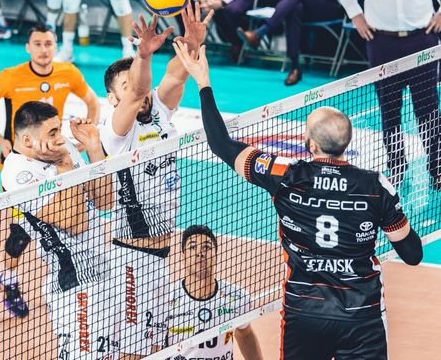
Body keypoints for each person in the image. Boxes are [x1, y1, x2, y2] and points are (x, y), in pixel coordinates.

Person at [172, 40, 424, 359]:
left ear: (310, 145)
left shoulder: (286, 175)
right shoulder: (376, 186)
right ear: (347, 143)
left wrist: (203, 81)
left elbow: (221, 145)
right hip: (362, 314)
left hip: (305, 313)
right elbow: (412, 254)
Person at [100, 3, 213, 358]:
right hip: (132, 259)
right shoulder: (116, 131)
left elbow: (177, 76)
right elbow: (137, 90)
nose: (142, 90)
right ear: (113, 97)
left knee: (156, 345)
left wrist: (193, 42)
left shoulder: (159, 110)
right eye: (127, 85)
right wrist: (143, 56)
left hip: (161, 255)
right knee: (134, 351)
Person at [0, 24, 100, 317]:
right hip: (22, 166)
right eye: (37, 44)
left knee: (67, 217)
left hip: (56, 158)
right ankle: (9, 279)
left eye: (48, 43)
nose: (43, 50)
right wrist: (0, 141)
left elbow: (93, 102)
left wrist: (83, 142)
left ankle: (70, 269)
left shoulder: (68, 73)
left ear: (56, 46)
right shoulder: (10, 76)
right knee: (22, 232)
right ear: (28, 47)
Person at [1, 100, 116, 359]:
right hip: (71, 280)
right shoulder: (17, 173)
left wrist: (93, 147)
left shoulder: (62, 149)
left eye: (59, 129)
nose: (60, 138)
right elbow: (75, 222)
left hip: (105, 267)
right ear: (28, 140)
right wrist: (64, 165)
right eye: (52, 132)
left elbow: (105, 201)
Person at [336, 0, 441, 190]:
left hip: (422, 39)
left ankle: (437, 167)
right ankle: (396, 166)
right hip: (381, 42)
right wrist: (355, 14)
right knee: (389, 109)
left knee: (428, 110)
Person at [238, 0, 350, 85]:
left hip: (332, 6)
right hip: (305, 4)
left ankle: (260, 32)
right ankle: (295, 67)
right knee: (295, 7)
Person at [165, 225, 264, 359]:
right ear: (183, 256)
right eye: (192, 247)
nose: (200, 253)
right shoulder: (166, 300)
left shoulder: (237, 297)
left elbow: (245, 334)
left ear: (216, 255)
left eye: (206, 247)